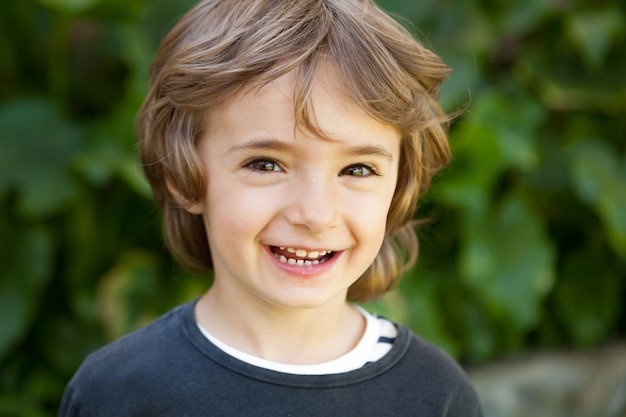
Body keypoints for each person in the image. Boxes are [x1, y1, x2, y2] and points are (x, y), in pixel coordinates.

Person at [60, 0, 483, 415]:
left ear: (398, 186)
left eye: (357, 168)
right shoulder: (118, 392)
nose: (316, 215)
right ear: (182, 175)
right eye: (266, 164)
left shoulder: (435, 394)